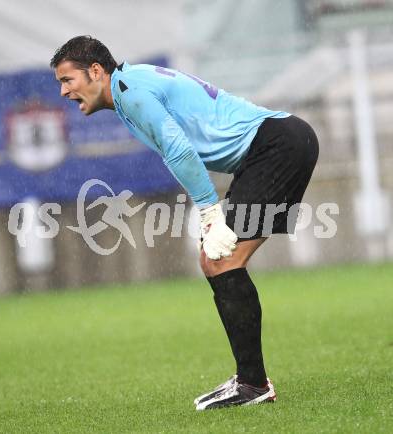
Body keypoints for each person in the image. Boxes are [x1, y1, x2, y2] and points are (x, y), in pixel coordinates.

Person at [50, 36, 319, 410]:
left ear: (96, 71)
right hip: (277, 146)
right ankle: (250, 381)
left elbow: (178, 148)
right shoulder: (131, 85)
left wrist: (210, 212)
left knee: (221, 260)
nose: (63, 92)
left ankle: (253, 385)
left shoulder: (129, 91)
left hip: (277, 148)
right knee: (216, 261)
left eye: (67, 80)